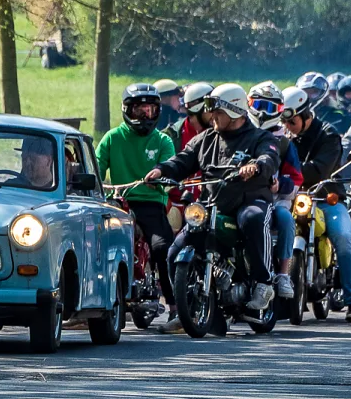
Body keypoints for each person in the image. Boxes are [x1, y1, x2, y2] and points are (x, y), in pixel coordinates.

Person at [145, 84, 281, 311]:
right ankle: (185, 310)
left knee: (253, 218)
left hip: (248, 200)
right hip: (212, 204)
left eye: (217, 112)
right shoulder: (206, 139)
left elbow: (270, 157)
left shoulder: (260, 137)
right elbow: (183, 159)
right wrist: (161, 170)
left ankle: (264, 283)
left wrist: (256, 166)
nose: (211, 116)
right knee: (174, 252)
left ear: (234, 111)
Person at [96, 83, 178, 329]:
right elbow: (96, 169)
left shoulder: (163, 141)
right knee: (97, 246)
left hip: (150, 204)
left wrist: (161, 180)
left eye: (151, 110)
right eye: (139, 110)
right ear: (126, 110)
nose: (145, 116)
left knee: (162, 248)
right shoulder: (112, 138)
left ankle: (175, 306)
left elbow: (170, 169)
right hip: (117, 203)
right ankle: (94, 301)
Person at [283, 87, 351, 321]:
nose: (287, 126)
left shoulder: (328, 135)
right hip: (293, 200)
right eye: (284, 122)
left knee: (344, 237)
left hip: (326, 199)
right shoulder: (283, 138)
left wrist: (286, 173)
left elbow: (320, 170)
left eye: (291, 121)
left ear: (305, 115)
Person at [248, 81, 301, 300]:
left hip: (275, 199)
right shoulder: (241, 133)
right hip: (242, 197)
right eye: (258, 105)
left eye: (270, 107)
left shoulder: (284, 143)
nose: (263, 112)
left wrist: (280, 185)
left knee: (286, 219)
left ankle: (283, 274)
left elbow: (296, 178)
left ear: (279, 111)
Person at [168, 81, 213, 150]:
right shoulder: (171, 136)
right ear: (197, 108)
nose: (214, 113)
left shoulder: (221, 133)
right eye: (210, 108)